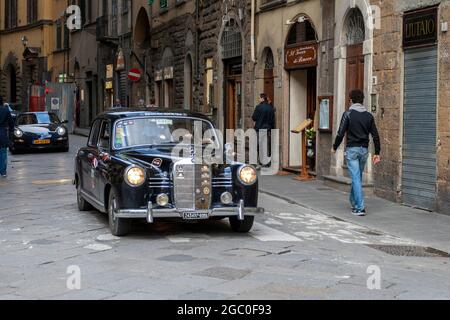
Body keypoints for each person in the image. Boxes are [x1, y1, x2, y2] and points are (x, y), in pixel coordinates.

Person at [332, 89, 381, 216]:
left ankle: (360, 208)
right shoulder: (369, 116)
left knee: (356, 179)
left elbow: (340, 133)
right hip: (364, 150)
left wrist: (335, 147)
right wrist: (377, 152)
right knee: (357, 178)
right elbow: (375, 136)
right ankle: (353, 202)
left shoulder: (348, 114)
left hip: (352, 150)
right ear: (362, 100)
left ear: (351, 100)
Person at [252, 93, 275, 168]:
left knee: (259, 145)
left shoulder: (258, 107)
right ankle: (267, 162)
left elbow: (254, 117)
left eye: (259, 98)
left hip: (259, 128)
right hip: (267, 129)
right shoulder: (270, 107)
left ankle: (260, 162)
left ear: (262, 98)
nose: (258, 99)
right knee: (266, 145)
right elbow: (272, 120)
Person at [0, 96, 14, 178]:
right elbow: (11, 122)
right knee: (3, 152)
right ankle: (3, 171)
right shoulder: (5, 110)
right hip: (2, 133)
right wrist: (11, 131)